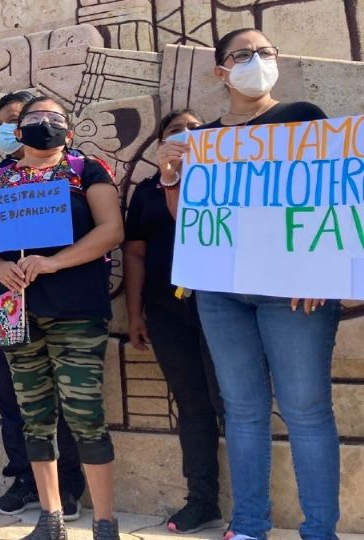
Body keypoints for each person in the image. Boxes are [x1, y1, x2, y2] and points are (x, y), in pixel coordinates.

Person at [160, 28, 341, 540]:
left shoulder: (303, 119)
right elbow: (188, 220)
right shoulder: (206, 138)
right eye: (244, 54)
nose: (257, 60)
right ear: (222, 71)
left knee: (306, 409)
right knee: (241, 411)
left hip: (294, 289)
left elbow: (331, 199)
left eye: (265, 53)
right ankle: (248, 526)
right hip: (221, 290)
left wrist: (323, 271)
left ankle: (320, 530)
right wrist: (172, 177)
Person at [0, 96, 124, 540]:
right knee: (32, 413)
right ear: (19, 129)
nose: (43, 124)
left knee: (85, 412)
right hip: (12, 308)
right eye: (34, 118)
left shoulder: (87, 170)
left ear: (68, 131)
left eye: (54, 118)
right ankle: (50, 516)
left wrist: (55, 262)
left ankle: (105, 521)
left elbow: (111, 230)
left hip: (75, 307)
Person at [0, 91, 87, 519]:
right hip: (7, 301)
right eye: (4, 122)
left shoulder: (75, 170)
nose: (12, 128)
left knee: (66, 399)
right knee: (12, 396)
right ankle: (24, 479)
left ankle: (68, 487)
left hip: (62, 300)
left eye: (16, 118)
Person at [123, 110, 224, 534]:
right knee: (193, 406)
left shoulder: (225, 179)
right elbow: (134, 254)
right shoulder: (146, 191)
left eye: (195, 128)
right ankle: (201, 500)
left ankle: (254, 506)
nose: (186, 135)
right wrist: (134, 314)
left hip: (223, 307)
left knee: (236, 405)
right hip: (166, 311)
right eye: (175, 131)